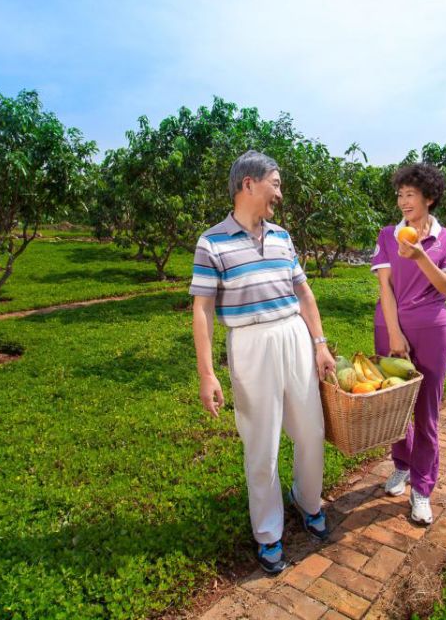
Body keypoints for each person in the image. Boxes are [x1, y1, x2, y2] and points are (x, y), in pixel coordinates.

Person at [190, 150, 337, 574]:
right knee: (262, 441)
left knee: (311, 430)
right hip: (250, 342)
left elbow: (304, 293)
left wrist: (320, 343)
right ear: (248, 184)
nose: (280, 192)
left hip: (293, 334)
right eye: (275, 183)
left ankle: (308, 501)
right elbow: (201, 310)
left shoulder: (282, 236)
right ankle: (269, 533)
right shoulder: (211, 241)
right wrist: (207, 373)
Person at [370, 163, 446, 524]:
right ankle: (403, 464)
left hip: (431, 328)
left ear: (429, 198)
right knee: (394, 404)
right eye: (400, 194)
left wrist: (421, 255)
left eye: (410, 194)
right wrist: (394, 333)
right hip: (390, 325)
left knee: (426, 410)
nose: (403, 201)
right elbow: (385, 287)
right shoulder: (388, 235)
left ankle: (423, 489)